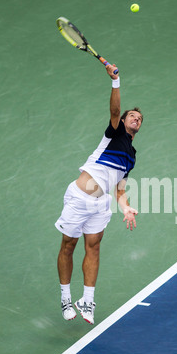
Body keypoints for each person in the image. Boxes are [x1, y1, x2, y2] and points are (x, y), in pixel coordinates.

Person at [55, 64, 143, 324]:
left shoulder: (132, 157)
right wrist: (115, 82)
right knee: (68, 245)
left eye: (140, 118)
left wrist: (125, 207)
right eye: (132, 116)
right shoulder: (113, 134)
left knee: (93, 248)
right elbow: (115, 109)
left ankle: (88, 300)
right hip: (79, 198)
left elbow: (119, 189)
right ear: (123, 120)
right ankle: (65, 298)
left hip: (101, 204)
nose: (136, 119)